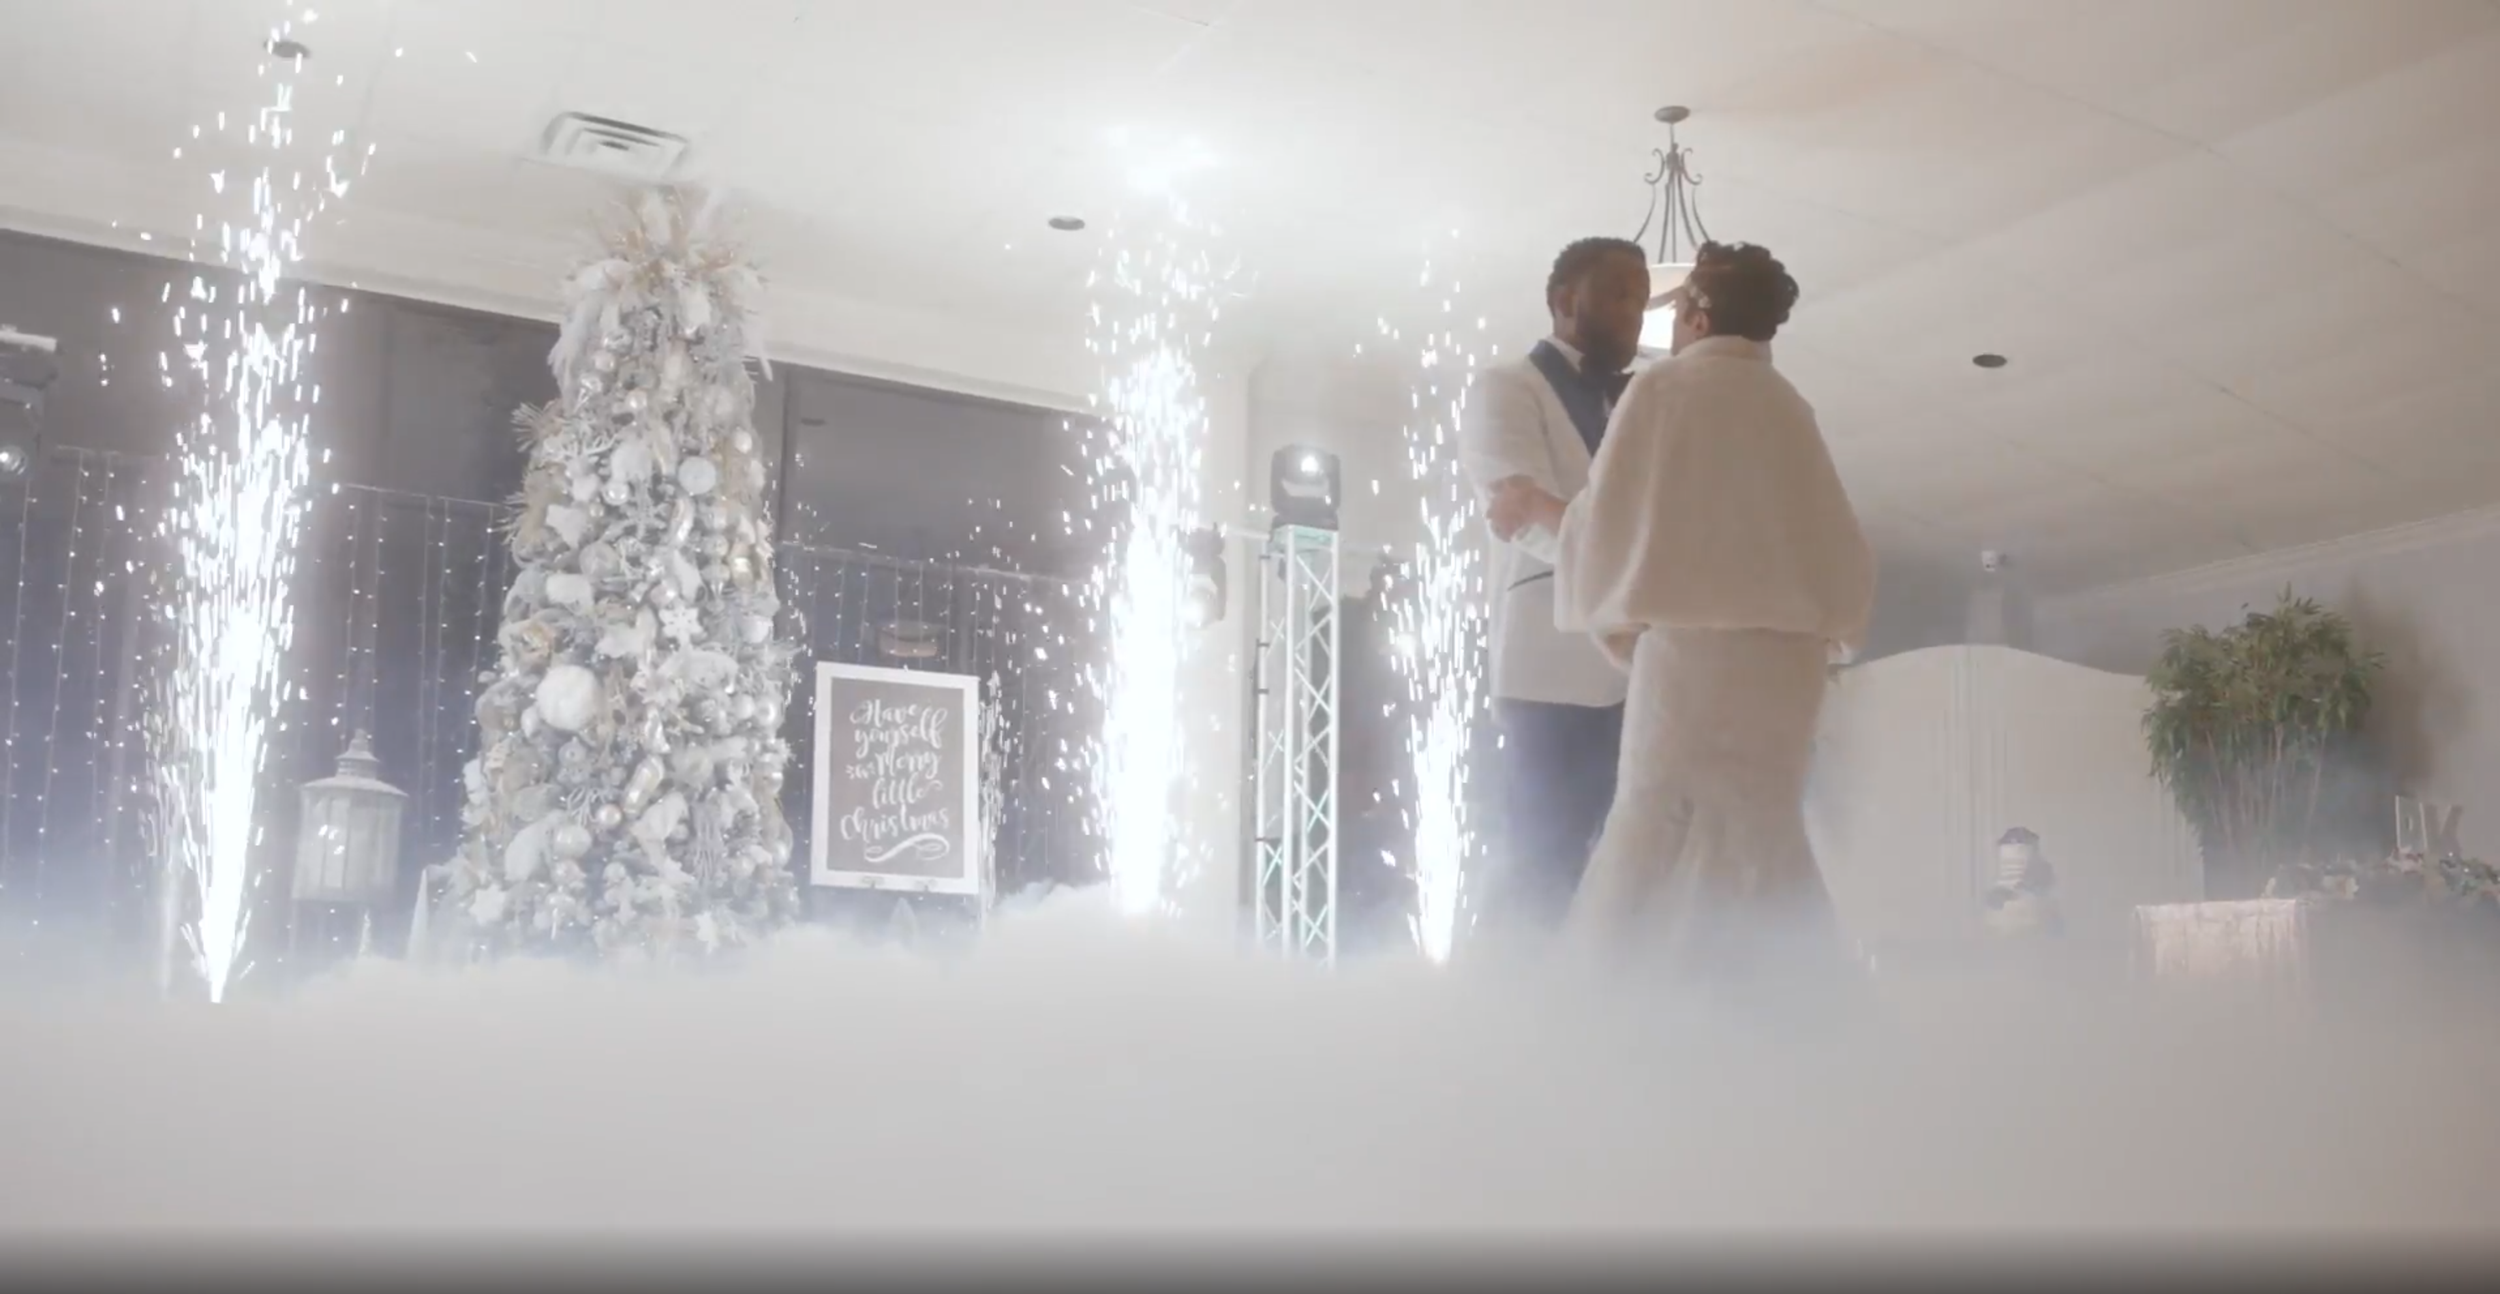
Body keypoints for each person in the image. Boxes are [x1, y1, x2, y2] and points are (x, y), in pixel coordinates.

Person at [1488, 241, 1875, 990]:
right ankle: (1791, 1004)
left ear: (1696, 314)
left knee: (1658, 813)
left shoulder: (1664, 393)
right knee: (1765, 818)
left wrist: (1531, 505)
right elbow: (1840, 549)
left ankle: (1618, 1011)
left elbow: (1612, 527)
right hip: (1788, 662)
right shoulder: (1791, 407)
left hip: (1692, 652)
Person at [1457, 236, 1651, 950]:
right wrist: (1624, 558)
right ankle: (1506, 1013)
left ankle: (1591, 1016)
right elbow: (1516, 505)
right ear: (1565, 300)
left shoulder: (1642, 402)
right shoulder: (1507, 386)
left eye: (1642, 297)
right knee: (1540, 855)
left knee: (1621, 862)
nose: (1636, 313)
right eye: (1620, 293)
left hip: (1638, 669)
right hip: (1550, 666)